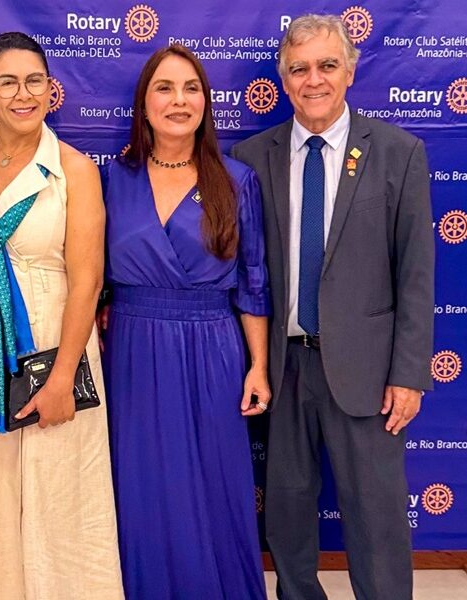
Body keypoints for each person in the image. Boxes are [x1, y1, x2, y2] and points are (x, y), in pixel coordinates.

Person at [231, 14, 434, 600]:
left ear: (350, 71)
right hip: (284, 367)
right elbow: (245, 272)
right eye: (299, 69)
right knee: (287, 511)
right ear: (283, 80)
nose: (313, 80)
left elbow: (416, 274)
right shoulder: (251, 158)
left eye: (326, 65)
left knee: (376, 516)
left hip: (369, 370)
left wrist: (408, 374)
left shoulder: (398, 152)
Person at [0, 32, 123, 599]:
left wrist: (63, 376)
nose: (24, 94)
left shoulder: (74, 169)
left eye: (35, 80)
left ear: (51, 88)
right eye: (8, 82)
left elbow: (87, 281)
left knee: (60, 491)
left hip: (54, 344)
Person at [101, 44, 270, 599]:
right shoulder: (113, 178)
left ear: (206, 102)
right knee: (142, 482)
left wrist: (258, 366)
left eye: (191, 88)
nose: (179, 100)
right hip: (133, 347)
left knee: (214, 480)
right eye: (165, 88)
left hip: (213, 348)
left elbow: (253, 280)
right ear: (144, 104)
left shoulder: (237, 179)